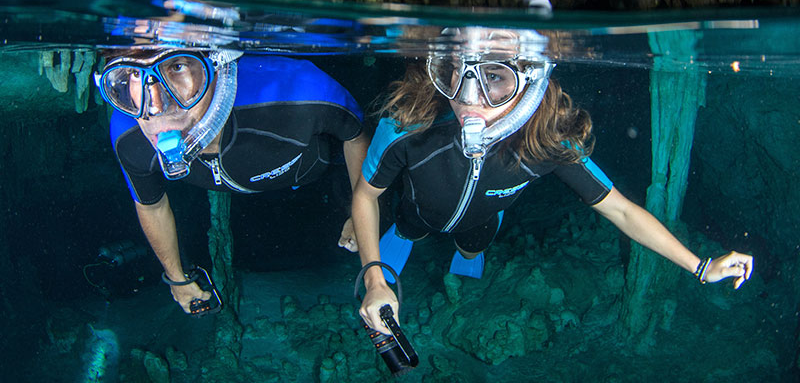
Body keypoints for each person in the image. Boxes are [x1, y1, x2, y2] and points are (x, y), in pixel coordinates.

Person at [353, 27, 753, 335]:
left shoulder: (547, 143)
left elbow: (622, 211)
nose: (468, 99)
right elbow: (366, 196)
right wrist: (373, 279)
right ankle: (404, 242)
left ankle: (466, 264)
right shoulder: (408, 124)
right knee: (407, 228)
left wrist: (700, 267)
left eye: (494, 78)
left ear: (530, 80)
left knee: (472, 249)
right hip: (416, 213)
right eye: (454, 74)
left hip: (481, 224)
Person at [97, 46, 369, 313]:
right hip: (252, 205)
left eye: (177, 66)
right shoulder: (127, 134)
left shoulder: (298, 90)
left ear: (216, 65)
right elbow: (151, 205)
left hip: (319, 177)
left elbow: (355, 134)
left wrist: (359, 212)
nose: (156, 105)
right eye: (134, 75)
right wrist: (177, 278)